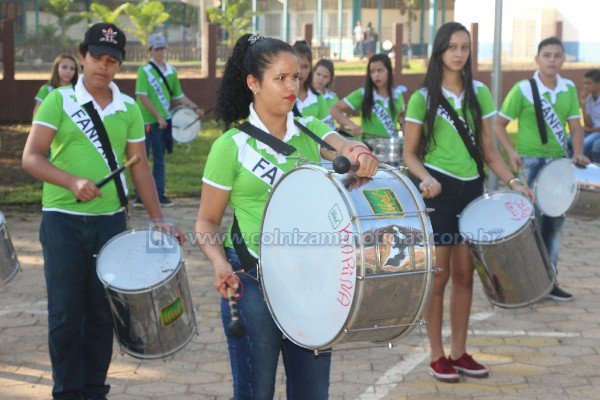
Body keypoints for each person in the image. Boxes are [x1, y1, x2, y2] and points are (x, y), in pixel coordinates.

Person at [194, 33, 378, 399]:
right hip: (251, 283)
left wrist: (360, 152)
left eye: (296, 77)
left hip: (311, 285)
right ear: (253, 83)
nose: (292, 86)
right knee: (255, 392)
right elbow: (206, 222)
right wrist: (218, 262)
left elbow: (343, 144)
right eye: (280, 78)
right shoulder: (230, 147)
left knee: (312, 393)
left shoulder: (309, 131)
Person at [21, 23, 183, 400]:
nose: (103, 66)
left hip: (109, 223)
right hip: (61, 221)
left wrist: (158, 218)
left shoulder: (127, 108)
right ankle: (66, 392)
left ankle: (95, 390)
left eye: (112, 61)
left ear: (119, 66)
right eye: (96, 57)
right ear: (82, 56)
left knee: (100, 314)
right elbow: (31, 158)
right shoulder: (58, 101)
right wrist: (70, 182)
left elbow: (139, 164)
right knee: (65, 314)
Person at [402, 22, 533, 383]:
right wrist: (425, 177)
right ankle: (436, 354)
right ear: (439, 51)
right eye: (452, 46)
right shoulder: (422, 97)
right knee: (439, 277)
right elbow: (409, 153)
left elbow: (489, 150)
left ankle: (460, 352)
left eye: (465, 47)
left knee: (465, 275)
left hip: (472, 192)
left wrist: (512, 182)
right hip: (439, 194)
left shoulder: (480, 93)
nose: (459, 53)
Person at [493, 37, 590, 301]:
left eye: (557, 55)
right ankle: (526, 281)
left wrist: (578, 152)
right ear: (537, 59)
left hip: (559, 164)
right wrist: (511, 152)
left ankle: (549, 281)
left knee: (555, 223)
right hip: (531, 163)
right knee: (529, 223)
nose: (552, 60)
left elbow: (576, 125)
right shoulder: (523, 89)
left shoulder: (568, 88)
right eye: (547, 55)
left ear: (563, 59)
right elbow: (499, 124)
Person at [133, 33, 202, 208]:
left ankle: (159, 194)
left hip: (164, 122)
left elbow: (178, 96)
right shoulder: (145, 70)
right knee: (143, 159)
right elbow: (142, 96)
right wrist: (158, 116)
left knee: (159, 159)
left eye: (163, 48)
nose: (160, 51)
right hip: (147, 121)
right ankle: (141, 197)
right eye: (157, 49)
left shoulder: (171, 71)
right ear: (150, 50)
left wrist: (195, 108)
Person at [329, 53, 406, 141]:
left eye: (380, 70)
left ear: (389, 71)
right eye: (372, 71)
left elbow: (402, 115)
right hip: (367, 147)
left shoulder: (397, 95)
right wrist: (352, 125)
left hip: (390, 147)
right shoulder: (362, 94)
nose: (376, 75)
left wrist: (404, 124)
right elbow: (334, 109)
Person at [292, 40, 330, 122]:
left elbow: (325, 131)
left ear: (310, 69)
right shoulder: (280, 96)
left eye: (305, 66)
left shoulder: (318, 98)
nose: (300, 72)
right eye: (297, 65)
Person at [32, 54, 78, 118]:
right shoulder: (47, 89)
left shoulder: (79, 90)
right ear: (56, 68)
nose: (68, 71)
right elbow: (37, 115)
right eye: (64, 67)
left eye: (72, 68)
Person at [312, 58, 339, 129]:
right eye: (318, 74)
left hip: (332, 134)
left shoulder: (333, 97)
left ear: (330, 79)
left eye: (325, 76)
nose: (321, 79)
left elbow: (338, 118)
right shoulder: (306, 96)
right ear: (313, 73)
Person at [580, 69, 600, 161]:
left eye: (589, 83)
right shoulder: (589, 99)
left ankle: (594, 172)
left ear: (598, 84)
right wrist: (583, 105)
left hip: (596, 132)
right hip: (594, 131)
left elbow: (589, 128)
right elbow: (588, 124)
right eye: (584, 83)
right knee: (569, 140)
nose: (585, 86)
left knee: (586, 144)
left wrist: (590, 130)